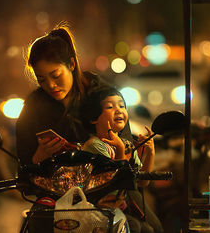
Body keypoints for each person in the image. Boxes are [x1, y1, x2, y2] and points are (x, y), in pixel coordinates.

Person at [16, 23, 132, 165]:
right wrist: (39, 157)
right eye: (42, 80)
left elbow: (129, 151)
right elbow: (23, 165)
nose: (51, 85)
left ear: (71, 64)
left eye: (56, 75)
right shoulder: (33, 107)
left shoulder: (104, 95)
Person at [80, 85, 163, 233]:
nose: (118, 110)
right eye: (110, 107)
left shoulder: (126, 145)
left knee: (148, 229)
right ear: (94, 117)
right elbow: (115, 180)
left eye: (122, 106)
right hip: (97, 209)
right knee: (135, 227)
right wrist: (119, 149)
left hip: (119, 208)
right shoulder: (94, 145)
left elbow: (143, 181)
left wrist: (150, 152)